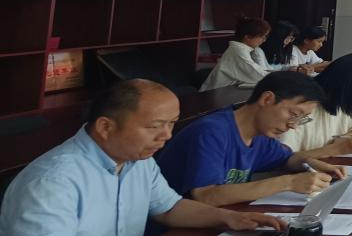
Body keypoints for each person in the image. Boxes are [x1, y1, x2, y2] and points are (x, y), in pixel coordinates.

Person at [0, 80, 284, 235]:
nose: (167, 136)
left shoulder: (139, 161)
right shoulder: (52, 183)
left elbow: (169, 208)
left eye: (171, 124)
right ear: (105, 127)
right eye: (154, 126)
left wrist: (230, 218)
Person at [155, 71, 346, 206]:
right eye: (294, 114)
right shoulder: (212, 131)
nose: (294, 125)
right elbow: (205, 195)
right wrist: (289, 183)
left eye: (301, 119)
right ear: (267, 99)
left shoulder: (261, 134)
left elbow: (287, 159)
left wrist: (315, 165)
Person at [277, 52, 352, 159]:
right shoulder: (302, 105)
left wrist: (345, 138)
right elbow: (281, 159)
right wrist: (334, 149)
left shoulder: (340, 106)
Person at [200, 16, 272, 91]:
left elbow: (261, 70)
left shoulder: (245, 50)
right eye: (262, 37)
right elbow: (258, 75)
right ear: (247, 37)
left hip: (226, 92)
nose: (264, 40)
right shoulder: (238, 52)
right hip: (212, 95)